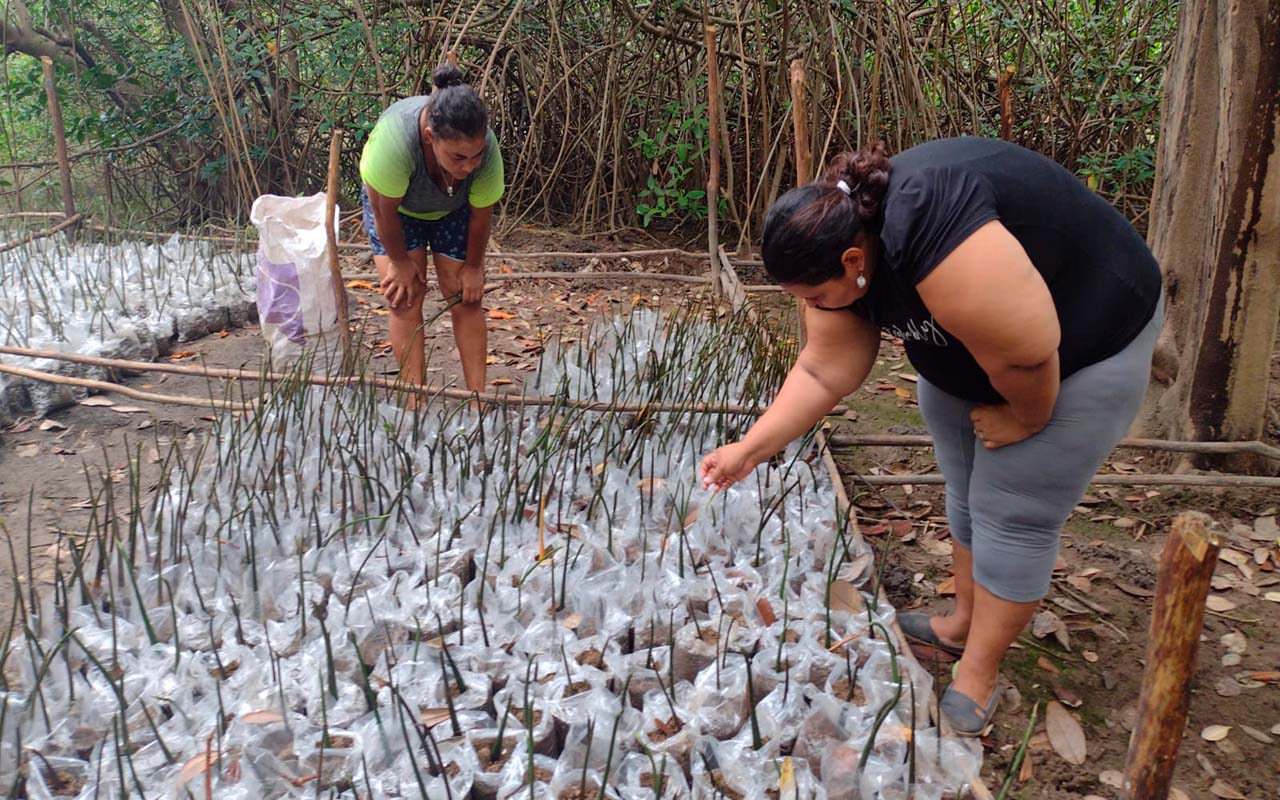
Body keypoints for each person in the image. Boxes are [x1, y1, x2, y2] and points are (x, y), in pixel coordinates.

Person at [700, 137, 1162, 736]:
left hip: (1083, 340)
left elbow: (1027, 358)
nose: (811, 307)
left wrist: (1024, 418)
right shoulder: (841, 242)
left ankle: (979, 673)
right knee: (966, 486)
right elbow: (823, 369)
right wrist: (750, 448)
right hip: (976, 348)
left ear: (850, 263)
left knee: (1013, 506)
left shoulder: (935, 229)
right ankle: (963, 620)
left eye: (814, 297)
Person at [359, 64, 504, 396]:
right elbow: (384, 210)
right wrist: (398, 262)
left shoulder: (486, 150)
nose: (470, 166)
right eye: (458, 158)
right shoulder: (396, 141)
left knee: (466, 297)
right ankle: (415, 404)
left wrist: (473, 268)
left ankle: (477, 402)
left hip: (455, 208)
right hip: (394, 210)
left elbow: (482, 215)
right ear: (429, 137)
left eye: (476, 156)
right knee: (404, 298)